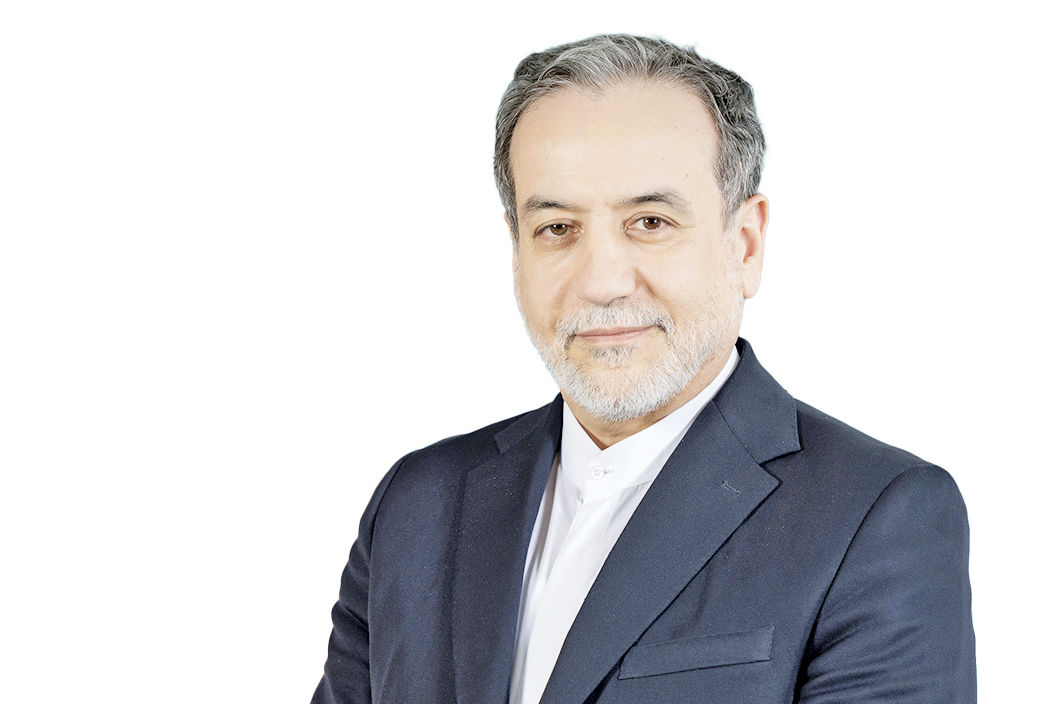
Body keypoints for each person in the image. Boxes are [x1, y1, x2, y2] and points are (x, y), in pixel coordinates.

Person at [311, 34, 975, 703]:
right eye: (557, 228)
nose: (602, 281)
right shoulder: (417, 504)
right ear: (516, 251)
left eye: (651, 222)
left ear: (745, 245)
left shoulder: (877, 516)